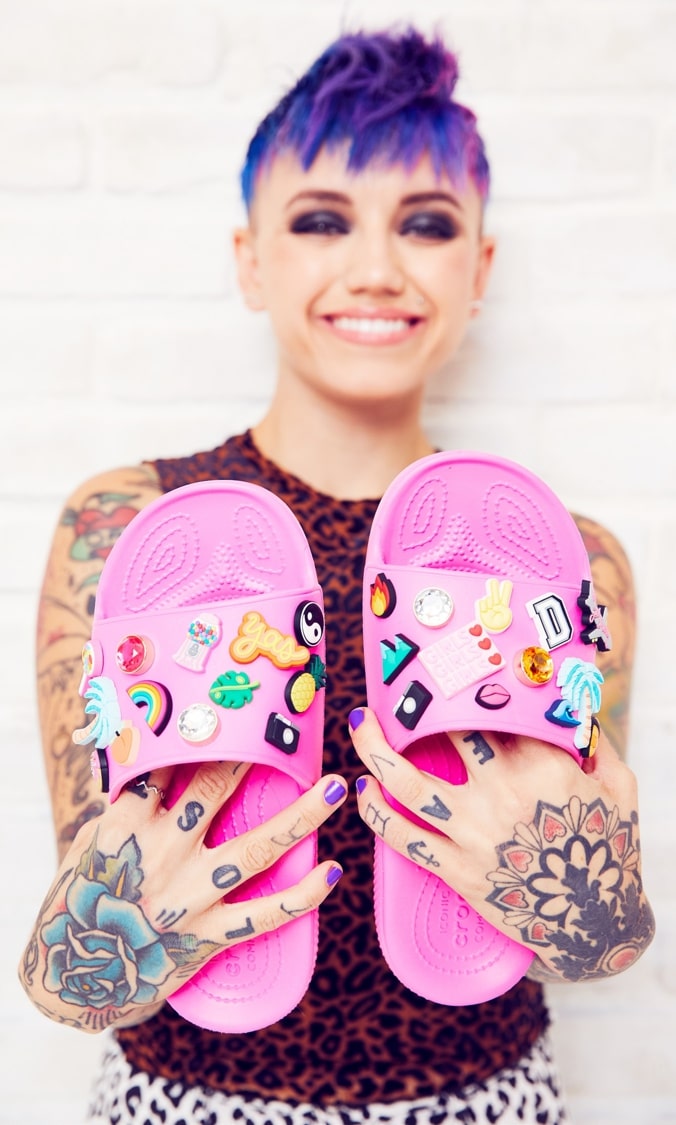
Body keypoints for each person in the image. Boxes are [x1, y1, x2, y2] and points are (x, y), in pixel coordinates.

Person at [20, 26, 654, 1125]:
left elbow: (578, 942)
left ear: (479, 269)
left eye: (427, 223)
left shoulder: (564, 560)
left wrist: (598, 912)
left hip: (486, 1096)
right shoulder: (128, 527)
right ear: (250, 261)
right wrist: (84, 957)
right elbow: (82, 945)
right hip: (185, 1097)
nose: (375, 269)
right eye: (321, 220)